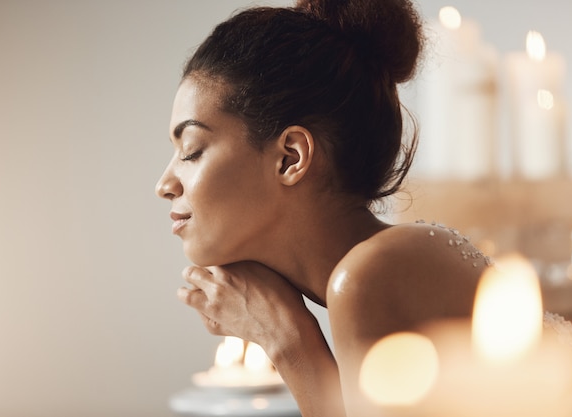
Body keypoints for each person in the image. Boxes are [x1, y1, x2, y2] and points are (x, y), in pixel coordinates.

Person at [155, 1, 490, 415]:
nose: (164, 185)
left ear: (290, 158)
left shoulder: (370, 275)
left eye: (191, 150)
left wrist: (287, 338)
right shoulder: (384, 262)